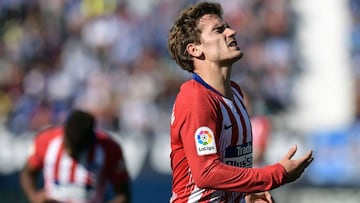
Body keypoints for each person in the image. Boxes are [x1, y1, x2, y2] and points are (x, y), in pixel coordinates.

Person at [167, 2, 313, 203]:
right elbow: (206, 173)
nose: (231, 31)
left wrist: (247, 193)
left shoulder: (235, 93)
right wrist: (275, 175)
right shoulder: (195, 98)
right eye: (219, 30)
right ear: (194, 49)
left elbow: (229, 168)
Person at [20, 109, 130, 203]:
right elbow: (27, 173)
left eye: (76, 149)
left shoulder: (109, 149)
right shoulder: (46, 141)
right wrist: (34, 197)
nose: (70, 152)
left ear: (89, 141)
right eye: (67, 145)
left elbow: (123, 195)